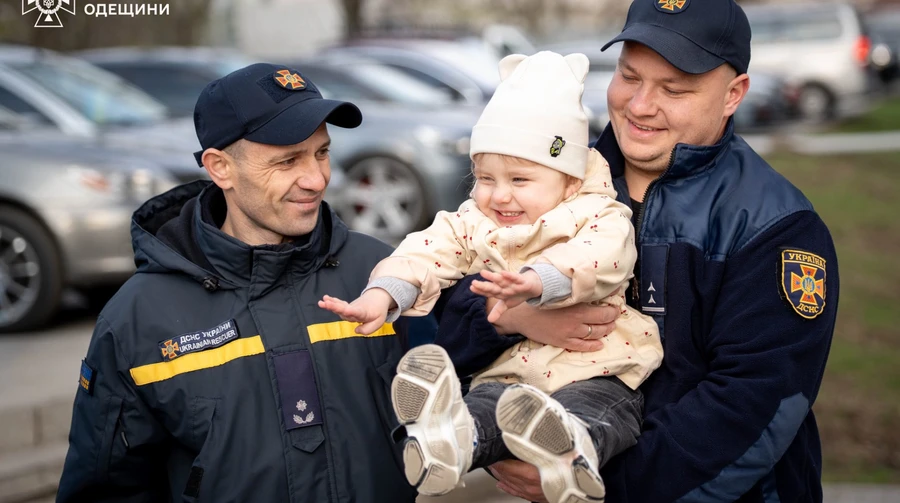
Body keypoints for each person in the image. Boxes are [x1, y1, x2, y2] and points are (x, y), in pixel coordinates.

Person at [434, 1, 840, 502]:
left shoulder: (776, 227)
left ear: (733, 94)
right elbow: (444, 313)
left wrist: (600, 485)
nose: (641, 105)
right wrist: (508, 319)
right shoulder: (542, 177)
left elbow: (755, 402)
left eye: (673, 89)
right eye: (629, 76)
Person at [57, 63, 420, 502]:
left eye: (321, 153)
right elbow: (106, 490)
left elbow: (469, 389)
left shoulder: (386, 273)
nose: (316, 178)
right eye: (287, 160)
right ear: (220, 168)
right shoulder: (139, 318)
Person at [319, 51, 663, 503]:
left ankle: (572, 457)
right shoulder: (474, 220)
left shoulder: (596, 213)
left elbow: (604, 257)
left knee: (602, 414)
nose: (499, 195)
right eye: (484, 177)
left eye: (520, 179)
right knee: (484, 409)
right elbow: (425, 250)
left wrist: (540, 281)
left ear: (570, 181)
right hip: (509, 378)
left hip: (595, 370)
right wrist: (385, 294)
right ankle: (448, 442)